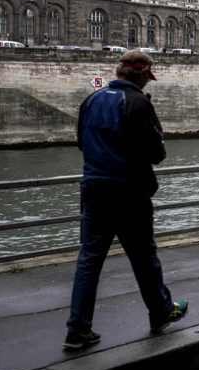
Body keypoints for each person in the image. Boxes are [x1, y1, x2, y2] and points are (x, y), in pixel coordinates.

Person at [64, 50, 188, 351]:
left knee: (89, 260)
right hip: (129, 190)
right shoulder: (137, 103)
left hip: (94, 188)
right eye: (149, 77)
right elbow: (156, 155)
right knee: (144, 256)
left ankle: (78, 329)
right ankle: (160, 311)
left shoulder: (91, 100)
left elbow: (81, 142)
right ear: (144, 75)